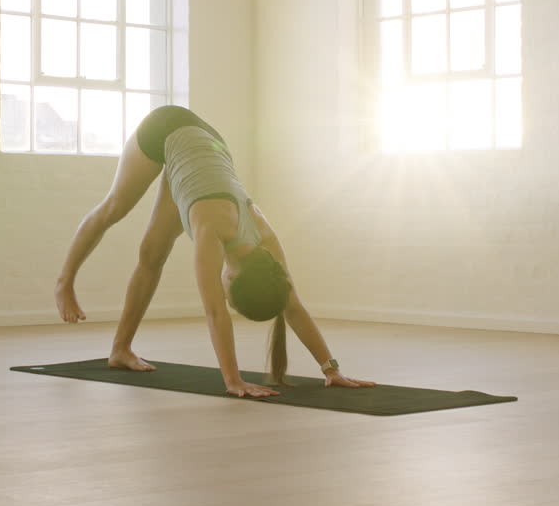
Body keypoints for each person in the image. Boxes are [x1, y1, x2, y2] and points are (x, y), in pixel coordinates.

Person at [54, 105, 377, 398]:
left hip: (204, 152)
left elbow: (292, 306)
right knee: (115, 207)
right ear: (233, 277)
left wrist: (331, 369)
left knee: (152, 253)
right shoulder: (210, 230)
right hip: (166, 129)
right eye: (230, 297)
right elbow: (214, 312)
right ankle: (64, 281)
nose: (224, 298)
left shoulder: (266, 244)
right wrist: (233, 380)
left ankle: (120, 350)